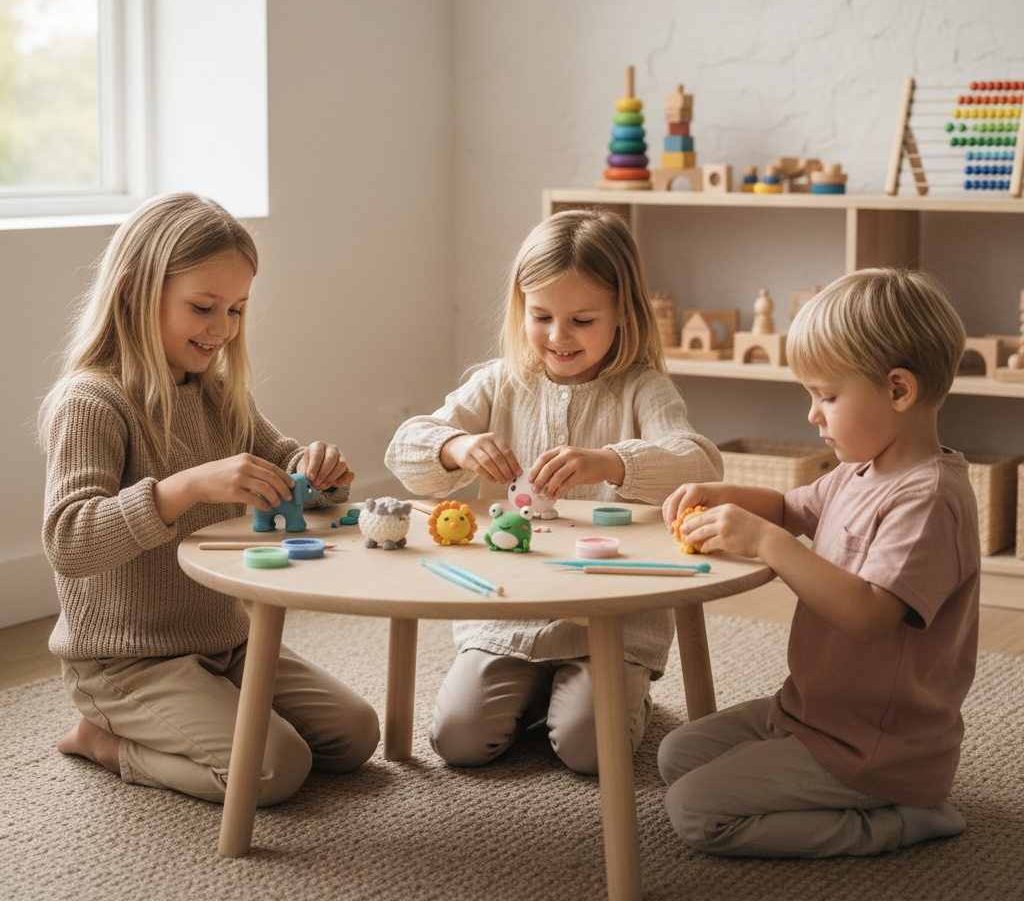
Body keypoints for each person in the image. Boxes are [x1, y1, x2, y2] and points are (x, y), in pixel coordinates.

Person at [38, 191, 380, 806]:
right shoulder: (92, 401)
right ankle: (103, 740)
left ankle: (203, 707)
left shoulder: (217, 391)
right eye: (203, 307)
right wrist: (186, 487)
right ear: (134, 293)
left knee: (354, 735)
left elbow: (283, 463)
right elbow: (70, 540)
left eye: (237, 309)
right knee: (274, 769)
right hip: (126, 661)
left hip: (225, 639)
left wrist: (318, 473)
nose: (222, 329)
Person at [385, 208, 723, 773]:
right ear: (521, 308)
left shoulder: (643, 389)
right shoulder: (499, 382)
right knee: (459, 740)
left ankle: (613, 693)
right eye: (541, 316)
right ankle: (539, 692)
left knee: (591, 750)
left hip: (610, 619)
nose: (559, 337)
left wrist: (611, 462)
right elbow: (404, 450)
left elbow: (702, 464)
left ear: (623, 312)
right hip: (506, 613)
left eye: (582, 320)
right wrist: (455, 447)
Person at [659, 267, 979, 857]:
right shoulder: (858, 471)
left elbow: (869, 615)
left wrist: (766, 542)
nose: (812, 414)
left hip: (878, 744)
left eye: (827, 396)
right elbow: (787, 508)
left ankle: (900, 820)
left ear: (899, 390)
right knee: (676, 755)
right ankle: (815, 767)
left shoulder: (929, 498)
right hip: (811, 710)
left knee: (697, 812)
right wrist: (720, 494)